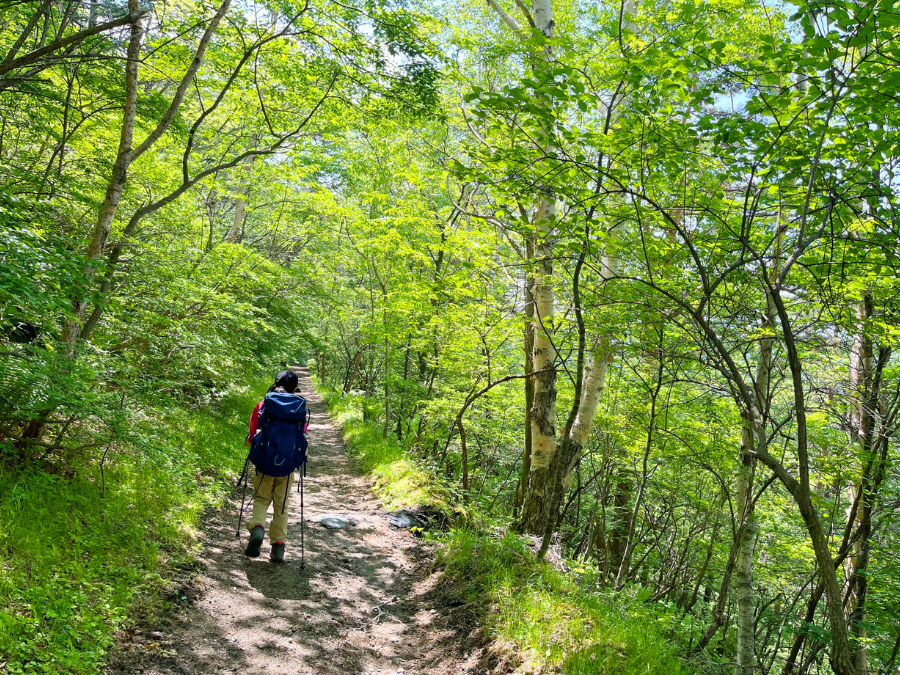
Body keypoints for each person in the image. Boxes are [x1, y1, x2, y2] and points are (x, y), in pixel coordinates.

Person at [244, 369, 307, 563]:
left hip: (265, 463)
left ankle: (257, 528)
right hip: (287, 465)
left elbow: (252, 435)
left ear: (276, 383)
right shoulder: (298, 408)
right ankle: (278, 546)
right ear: (294, 387)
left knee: (262, 498)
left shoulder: (264, 404)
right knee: (282, 505)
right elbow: (302, 437)